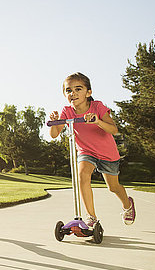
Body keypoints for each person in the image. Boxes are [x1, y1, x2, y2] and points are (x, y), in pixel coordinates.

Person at [49, 72, 136, 227]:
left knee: (113, 187)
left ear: (88, 92)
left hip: (107, 154)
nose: (73, 93)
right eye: (69, 90)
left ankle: (127, 205)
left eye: (78, 89)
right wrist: (55, 122)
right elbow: (55, 134)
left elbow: (113, 130)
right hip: (85, 152)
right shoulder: (67, 111)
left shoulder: (97, 107)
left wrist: (97, 121)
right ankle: (91, 217)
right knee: (82, 175)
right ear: (64, 94)